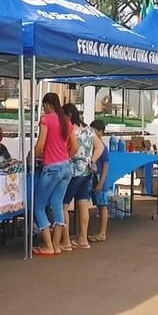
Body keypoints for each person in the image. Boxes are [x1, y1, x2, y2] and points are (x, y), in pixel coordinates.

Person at [32, 92, 77, 256]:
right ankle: (56, 245)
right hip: (66, 167)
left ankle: (48, 245)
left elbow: (40, 144)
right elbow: (75, 147)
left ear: (47, 104)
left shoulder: (45, 119)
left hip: (51, 168)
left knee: (38, 206)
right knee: (57, 204)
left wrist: (34, 156)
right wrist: (64, 157)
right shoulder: (66, 121)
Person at [63, 102, 102, 250]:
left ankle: (66, 241)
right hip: (87, 172)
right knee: (83, 205)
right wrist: (92, 160)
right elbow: (100, 147)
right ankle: (83, 239)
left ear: (69, 115)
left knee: (63, 205)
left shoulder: (70, 130)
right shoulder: (88, 130)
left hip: (73, 172)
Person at [87, 119, 111, 243]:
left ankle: (102, 232)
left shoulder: (103, 148)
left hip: (99, 179)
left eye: (94, 131)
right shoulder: (91, 147)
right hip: (92, 178)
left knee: (102, 206)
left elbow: (106, 166)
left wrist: (101, 182)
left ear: (100, 132)